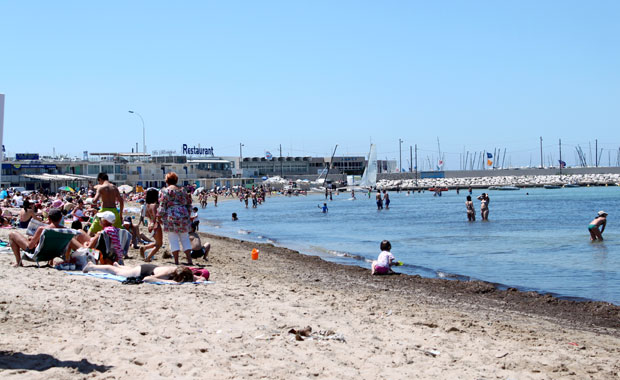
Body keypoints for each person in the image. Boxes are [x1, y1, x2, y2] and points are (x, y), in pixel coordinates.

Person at [9, 208, 81, 267]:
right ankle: (51, 262)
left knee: (12, 234)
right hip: (53, 254)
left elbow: (30, 247)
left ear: (48, 218)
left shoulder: (42, 229)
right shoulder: (66, 231)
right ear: (60, 218)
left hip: (39, 255)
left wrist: (33, 239)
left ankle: (19, 262)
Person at [157, 172, 193, 265]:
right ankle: (189, 260)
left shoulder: (164, 191)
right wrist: (188, 215)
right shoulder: (183, 190)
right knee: (185, 237)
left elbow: (162, 206)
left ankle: (176, 261)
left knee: (173, 238)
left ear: (167, 181)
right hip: (183, 215)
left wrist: (159, 216)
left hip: (171, 216)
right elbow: (188, 204)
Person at [82, 262, 205, 283]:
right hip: (144, 271)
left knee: (125, 270)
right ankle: (92, 266)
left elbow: (202, 279)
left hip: (152, 267)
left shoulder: (185, 272)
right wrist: (170, 282)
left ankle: (120, 265)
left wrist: (197, 280)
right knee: (115, 272)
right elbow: (148, 279)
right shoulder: (168, 272)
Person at [141, 188, 162, 262]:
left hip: (150, 223)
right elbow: (155, 215)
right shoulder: (154, 205)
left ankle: (145, 248)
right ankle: (148, 257)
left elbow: (147, 215)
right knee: (159, 244)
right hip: (155, 224)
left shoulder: (147, 205)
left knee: (157, 242)